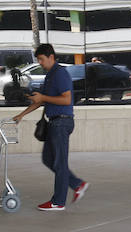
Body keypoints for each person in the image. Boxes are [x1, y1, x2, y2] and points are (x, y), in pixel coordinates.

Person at [13, 43, 89, 211]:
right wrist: (22, 115)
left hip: (61, 122)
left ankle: (58, 202)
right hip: (54, 122)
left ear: (51, 57)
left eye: (41, 59)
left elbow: (66, 100)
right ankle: (77, 184)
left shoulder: (60, 74)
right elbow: (42, 99)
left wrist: (43, 98)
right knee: (48, 159)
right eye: (38, 59)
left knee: (60, 163)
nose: (39, 62)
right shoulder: (50, 75)